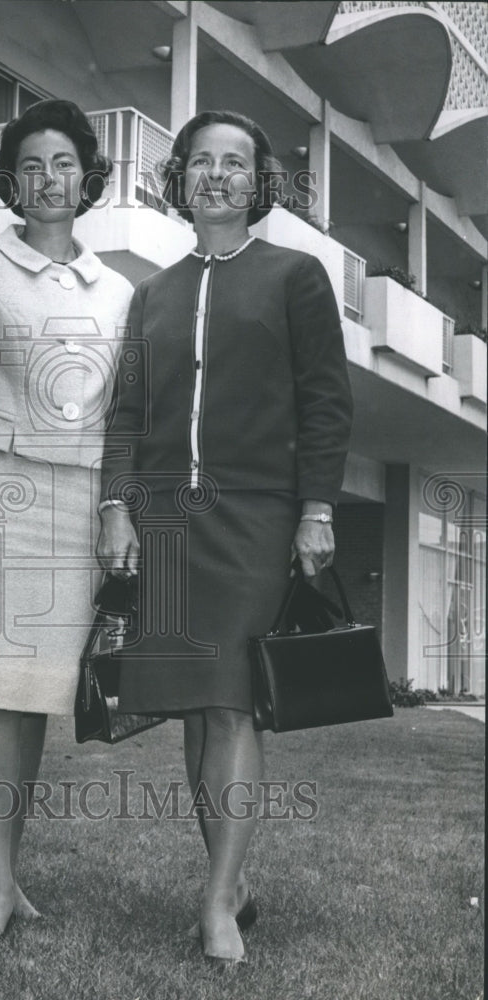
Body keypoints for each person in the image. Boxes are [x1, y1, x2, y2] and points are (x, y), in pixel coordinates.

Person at [97, 110, 352, 965]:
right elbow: (127, 414)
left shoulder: (296, 276)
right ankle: (232, 886)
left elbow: (326, 402)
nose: (215, 176)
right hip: (168, 521)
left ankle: (213, 904)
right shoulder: (153, 294)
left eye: (233, 164)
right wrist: (115, 507)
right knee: (195, 713)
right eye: (199, 162)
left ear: (259, 182)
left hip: (255, 515)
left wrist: (316, 510)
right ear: (179, 180)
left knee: (233, 699)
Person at [0, 99, 133, 938]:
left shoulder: (119, 290)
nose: (50, 180)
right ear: (14, 180)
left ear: (89, 177)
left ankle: (3, 876)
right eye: (34, 165)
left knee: (38, 694)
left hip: (78, 505)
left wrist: (117, 510)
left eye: (65, 164)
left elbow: (127, 416)